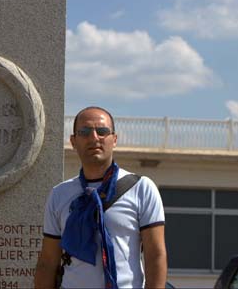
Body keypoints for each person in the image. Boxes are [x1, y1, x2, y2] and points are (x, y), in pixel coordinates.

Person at [34, 106, 167, 288]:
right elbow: (48, 262)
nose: (94, 138)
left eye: (102, 131)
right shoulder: (59, 194)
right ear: (73, 141)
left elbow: (156, 255)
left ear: (114, 139)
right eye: (85, 132)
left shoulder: (141, 188)